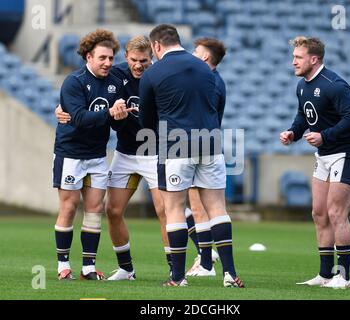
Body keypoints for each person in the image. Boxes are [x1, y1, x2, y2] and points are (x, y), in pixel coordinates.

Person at [55, 35, 172, 280]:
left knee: (164, 209)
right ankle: (125, 269)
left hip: (153, 151)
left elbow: (113, 119)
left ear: (152, 57)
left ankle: (176, 269)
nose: (139, 65)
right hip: (120, 153)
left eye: (144, 60)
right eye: (134, 60)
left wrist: (112, 116)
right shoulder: (112, 76)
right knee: (111, 210)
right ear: (127, 60)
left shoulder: (160, 77)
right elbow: (88, 113)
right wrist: (63, 109)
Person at [139, 24, 244, 288]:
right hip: (210, 142)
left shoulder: (153, 73)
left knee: (174, 209)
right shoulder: (207, 69)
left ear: (156, 46)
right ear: (178, 41)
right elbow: (217, 108)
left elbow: (147, 119)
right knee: (217, 208)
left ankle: (177, 278)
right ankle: (230, 274)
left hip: (175, 145)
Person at [280, 36, 350, 289]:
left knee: (336, 212)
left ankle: (344, 276)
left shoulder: (335, 85)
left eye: (298, 57)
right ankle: (325, 274)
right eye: (294, 56)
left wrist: (324, 136)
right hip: (324, 155)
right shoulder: (302, 86)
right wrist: (293, 133)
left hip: (346, 153)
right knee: (319, 213)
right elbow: (303, 115)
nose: (293, 62)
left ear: (314, 59)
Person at [53, 29, 131, 280]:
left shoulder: (115, 83)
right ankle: (63, 265)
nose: (108, 63)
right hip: (70, 153)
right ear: (88, 57)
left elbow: (117, 125)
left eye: (111, 58)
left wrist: (119, 116)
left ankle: (88, 266)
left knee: (95, 209)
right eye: (102, 58)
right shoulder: (73, 82)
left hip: (97, 155)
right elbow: (78, 119)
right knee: (68, 206)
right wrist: (109, 113)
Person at [185, 37, 227, 277]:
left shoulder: (207, 82)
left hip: (197, 147)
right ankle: (206, 258)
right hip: (208, 145)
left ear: (204, 57)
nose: (192, 53)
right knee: (203, 207)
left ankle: (206, 263)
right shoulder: (216, 81)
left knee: (200, 208)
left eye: (195, 51)